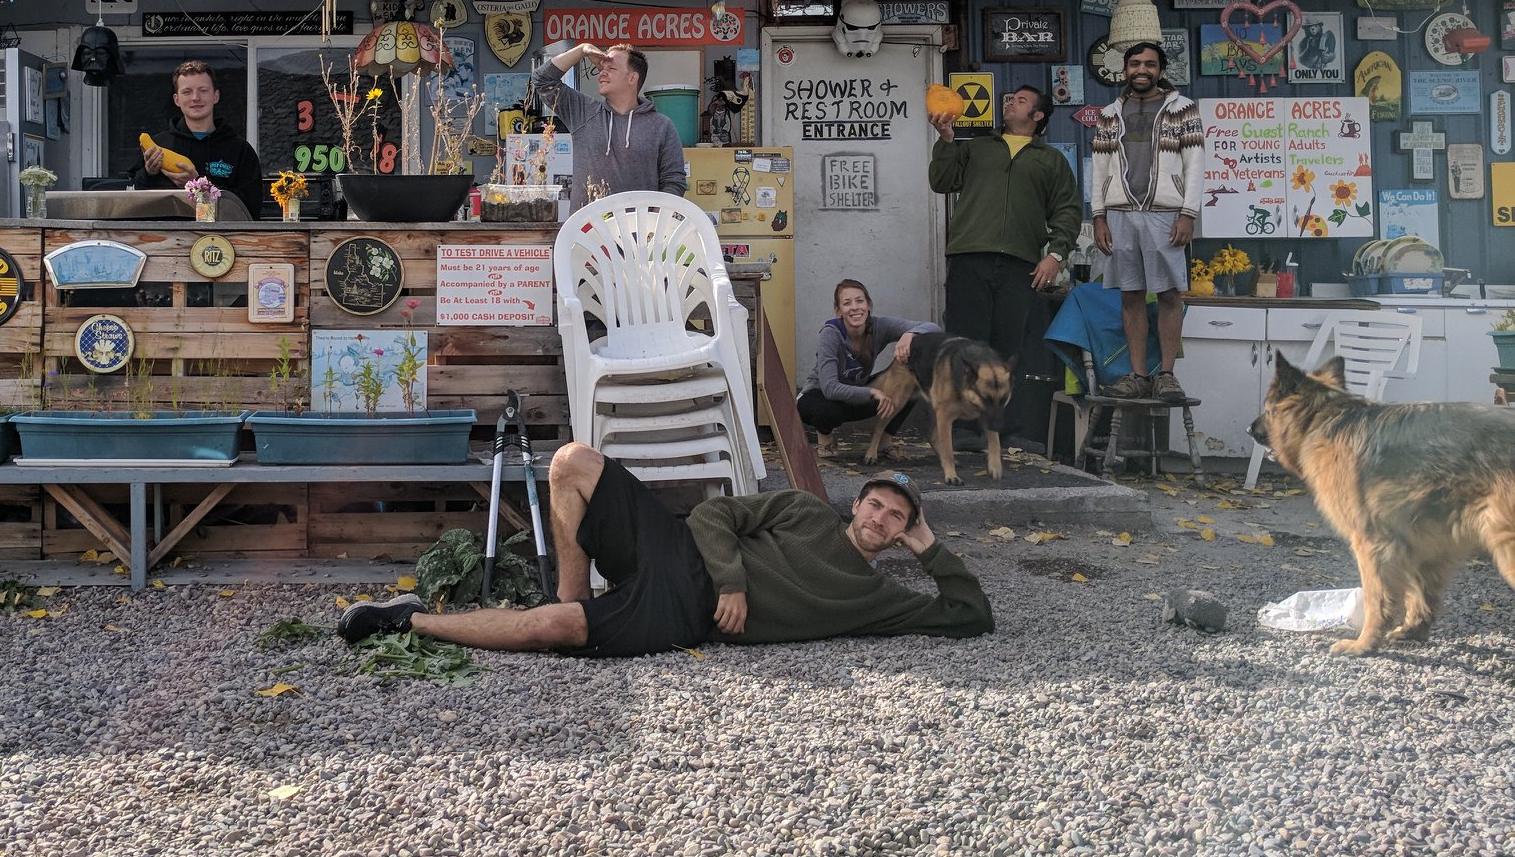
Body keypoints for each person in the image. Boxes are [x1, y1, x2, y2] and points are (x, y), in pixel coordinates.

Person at [335, 445, 993, 656]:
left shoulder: (875, 597)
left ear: (902, 532)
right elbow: (711, 514)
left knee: (550, 631)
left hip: (682, 614)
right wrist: (732, 581)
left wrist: (930, 546)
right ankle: (571, 588)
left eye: (896, 516)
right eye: (875, 503)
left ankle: (411, 620)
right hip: (681, 548)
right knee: (570, 461)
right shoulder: (804, 508)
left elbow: (971, 615)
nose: (880, 517)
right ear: (857, 505)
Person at [927, 82, 1081, 381]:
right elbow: (941, 182)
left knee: (1008, 348)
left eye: (1021, 100)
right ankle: (962, 412)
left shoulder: (1051, 160)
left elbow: (1067, 211)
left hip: (1020, 264)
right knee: (963, 344)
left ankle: (1002, 411)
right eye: (1011, 98)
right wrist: (946, 140)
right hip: (969, 258)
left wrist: (1055, 255)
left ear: (1037, 115)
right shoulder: (976, 148)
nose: (1010, 102)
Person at [1088, 41, 1205, 399]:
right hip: (1120, 212)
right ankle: (1138, 375)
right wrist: (1098, 216)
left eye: (1150, 64)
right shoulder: (1109, 114)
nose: (1142, 70)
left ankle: (1166, 374)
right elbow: (1099, 168)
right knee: (1131, 294)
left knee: (1169, 294)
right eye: (1135, 64)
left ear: (1161, 71)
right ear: (1125, 70)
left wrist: (1188, 213)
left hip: (1165, 213)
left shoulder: (1183, 109)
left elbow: (1195, 164)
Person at [797, 279, 939, 459]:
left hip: (857, 394)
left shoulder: (878, 326)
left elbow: (934, 329)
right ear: (838, 310)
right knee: (828, 412)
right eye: (847, 303)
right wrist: (872, 392)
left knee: (911, 380)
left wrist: (910, 334)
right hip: (819, 396)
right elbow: (830, 388)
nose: (855, 307)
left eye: (860, 301)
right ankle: (825, 439)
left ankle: (885, 440)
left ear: (869, 305)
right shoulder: (831, 333)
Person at [530, 42, 687, 201]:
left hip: (641, 218)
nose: (602, 73)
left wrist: (654, 213)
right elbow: (541, 79)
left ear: (632, 78)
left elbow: (674, 181)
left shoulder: (661, 126)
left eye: (611, 69)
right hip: (589, 218)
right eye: (601, 69)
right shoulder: (583, 112)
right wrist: (582, 50)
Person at [128, 59, 263, 217]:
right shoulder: (157, 146)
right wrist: (148, 174)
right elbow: (130, 200)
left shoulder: (239, 150)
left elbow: (251, 207)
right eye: (187, 92)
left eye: (203, 90)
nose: (195, 97)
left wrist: (199, 184)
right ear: (176, 99)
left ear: (216, 96)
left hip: (222, 233)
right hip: (165, 233)